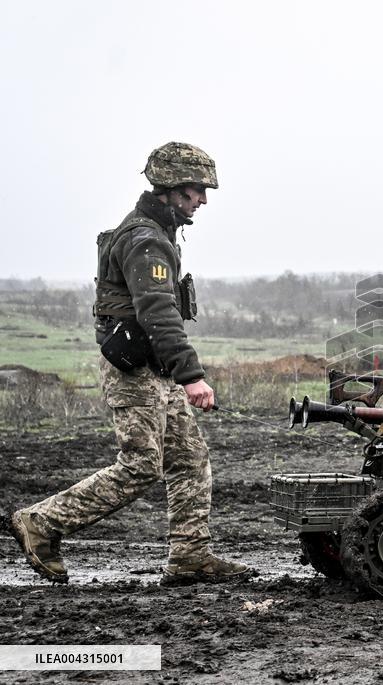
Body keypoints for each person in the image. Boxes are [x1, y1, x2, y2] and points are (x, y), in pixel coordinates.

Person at [9, 142, 254, 586]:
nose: (202, 199)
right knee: (140, 465)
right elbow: (158, 310)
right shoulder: (145, 240)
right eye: (196, 190)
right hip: (135, 374)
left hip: (155, 370)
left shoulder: (155, 234)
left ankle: (190, 556)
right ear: (169, 189)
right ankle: (42, 523)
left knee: (189, 458)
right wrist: (192, 376)